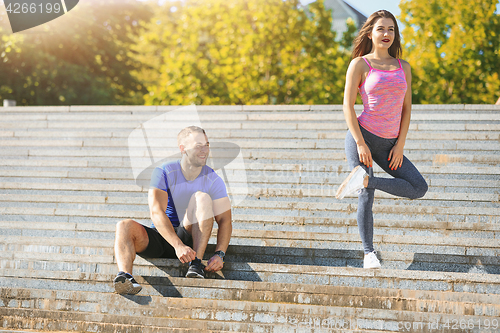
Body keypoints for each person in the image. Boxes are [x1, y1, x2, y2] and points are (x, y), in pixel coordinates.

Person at [335, 10, 428, 269]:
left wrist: (400, 145)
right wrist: (360, 143)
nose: (386, 34)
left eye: (391, 29)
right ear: (370, 33)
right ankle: (369, 254)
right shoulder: (360, 64)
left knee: (418, 187)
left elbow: (407, 108)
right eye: (381, 29)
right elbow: (347, 106)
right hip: (362, 136)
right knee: (366, 195)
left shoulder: (403, 67)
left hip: (389, 143)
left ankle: (366, 179)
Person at [113, 126, 232, 294]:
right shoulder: (164, 171)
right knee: (124, 225)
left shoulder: (213, 179)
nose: (204, 150)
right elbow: (156, 212)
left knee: (202, 197)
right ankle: (125, 277)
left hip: (190, 238)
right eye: (198, 145)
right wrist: (177, 246)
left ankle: (196, 265)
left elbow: (225, 220)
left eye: (206, 144)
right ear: (183, 149)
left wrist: (220, 254)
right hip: (164, 236)